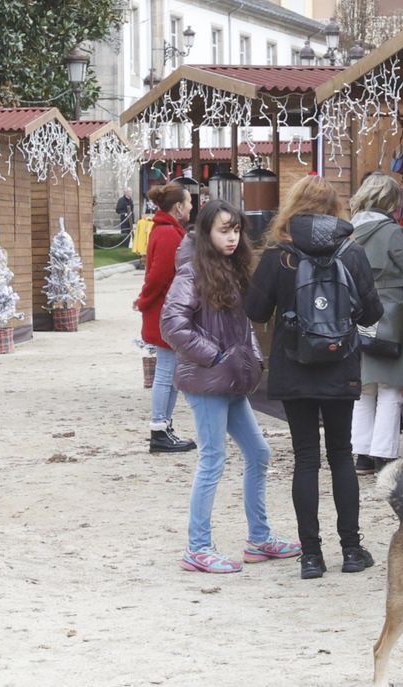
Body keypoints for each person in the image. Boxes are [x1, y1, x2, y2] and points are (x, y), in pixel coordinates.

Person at [245, 176, 384, 580]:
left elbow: (255, 310)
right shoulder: (351, 251)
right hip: (341, 363)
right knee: (341, 454)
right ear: (335, 208)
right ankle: (352, 550)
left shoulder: (279, 254)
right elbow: (372, 312)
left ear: (292, 206)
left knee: (305, 457)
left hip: (294, 364)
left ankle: (311, 556)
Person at [161, 199, 300, 574]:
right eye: (224, 230)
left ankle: (259, 538)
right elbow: (172, 325)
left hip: (231, 379)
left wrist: (249, 357)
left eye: (236, 230)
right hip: (206, 382)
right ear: (206, 232)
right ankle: (197, 547)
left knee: (258, 453)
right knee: (212, 460)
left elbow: (242, 325)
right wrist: (215, 356)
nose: (233, 237)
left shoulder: (232, 270)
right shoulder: (191, 273)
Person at [349, 173, 403, 475]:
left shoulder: (350, 230)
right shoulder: (391, 232)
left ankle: (362, 455)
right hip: (389, 314)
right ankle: (384, 455)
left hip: (358, 312)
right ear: (391, 201)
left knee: (365, 387)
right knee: (391, 387)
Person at [134, 183, 196, 454]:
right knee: (166, 372)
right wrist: (144, 301)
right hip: (165, 311)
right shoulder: (169, 234)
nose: (192, 206)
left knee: (169, 373)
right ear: (178, 207)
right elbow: (159, 276)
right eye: (189, 202)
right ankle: (159, 429)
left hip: (164, 309)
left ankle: (164, 427)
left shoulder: (165, 230)